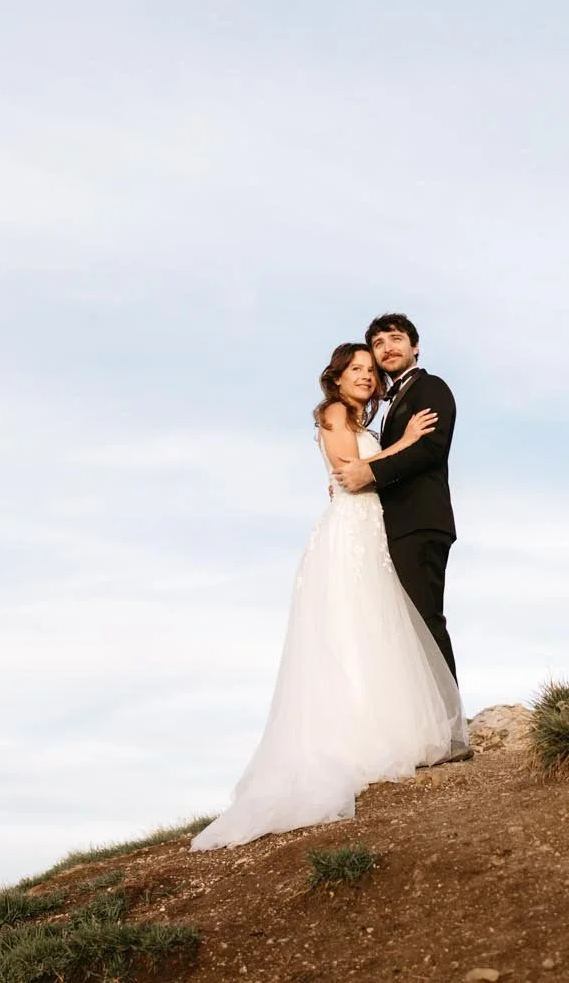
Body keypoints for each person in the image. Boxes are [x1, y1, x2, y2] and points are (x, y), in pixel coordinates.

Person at [190, 342, 466, 852]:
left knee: (375, 631)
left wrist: (383, 446)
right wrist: (402, 442)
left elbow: (354, 472)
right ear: (336, 379)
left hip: (370, 531)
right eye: (355, 368)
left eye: (369, 369)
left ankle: (384, 728)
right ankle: (351, 740)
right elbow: (347, 473)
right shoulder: (336, 413)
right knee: (351, 627)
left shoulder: (366, 421)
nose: (364, 375)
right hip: (350, 535)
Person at [332, 313, 460, 685]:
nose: (387, 347)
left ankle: (450, 729)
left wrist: (368, 472)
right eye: (378, 343)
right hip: (393, 527)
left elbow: (431, 448)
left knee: (425, 621)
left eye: (395, 338)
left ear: (414, 346)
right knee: (404, 631)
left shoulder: (431, 387)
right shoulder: (386, 407)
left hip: (419, 522)